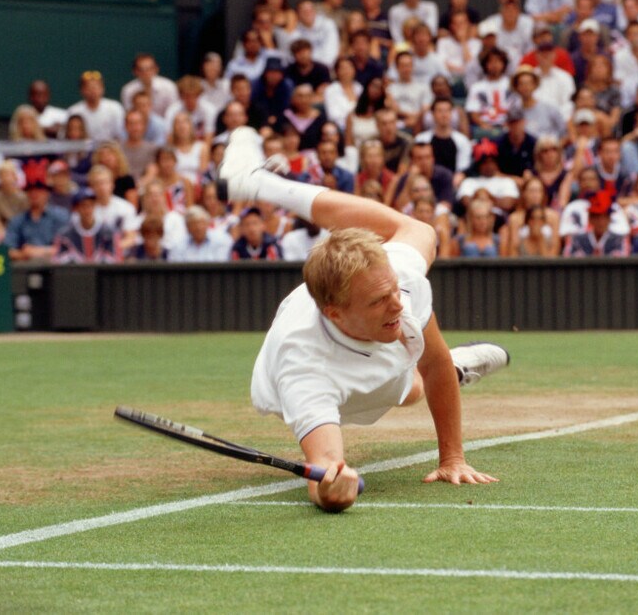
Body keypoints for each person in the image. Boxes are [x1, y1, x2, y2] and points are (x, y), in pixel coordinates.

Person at [216, 126, 506, 511]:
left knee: (418, 231)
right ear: (335, 312)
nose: (397, 305)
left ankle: (257, 183)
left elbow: (432, 361)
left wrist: (452, 458)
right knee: (412, 390)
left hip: (370, 336)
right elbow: (324, 469)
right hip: (327, 371)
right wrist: (332, 489)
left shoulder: (400, 286)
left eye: (393, 292)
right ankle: (455, 368)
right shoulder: (303, 367)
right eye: (379, 300)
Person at [4, 179, 70, 262]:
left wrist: (38, 251)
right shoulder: (17, 220)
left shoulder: (61, 215)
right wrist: (24, 254)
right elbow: (8, 250)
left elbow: (68, 247)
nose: (34, 194)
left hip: (54, 264)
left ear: (47, 193)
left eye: (39, 190)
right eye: (30, 191)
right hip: (26, 265)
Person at [53, 187, 121, 264]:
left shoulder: (109, 233)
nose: (87, 210)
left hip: (102, 271)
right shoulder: (65, 236)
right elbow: (58, 261)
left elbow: (115, 260)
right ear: (76, 208)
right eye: (83, 206)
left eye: (91, 205)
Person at [563, 190, 630, 257]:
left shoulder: (619, 240)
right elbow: (567, 259)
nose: (600, 221)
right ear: (590, 218)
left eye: (604, 217)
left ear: (609, 218)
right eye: (596, 217)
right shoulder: (576, 240)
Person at [66, 70, 125, 143]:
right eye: (89, 88)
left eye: (96, 87)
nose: (93, 91)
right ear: (82, 90)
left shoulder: (114, 107)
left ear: (102, 89)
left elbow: (121, 134)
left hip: (110, 147)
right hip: (83, 148)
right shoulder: (74, 111)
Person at [168, 205, 232, 262]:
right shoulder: (178, 244)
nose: (199, 228)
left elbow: (221, 265)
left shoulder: (222, 239)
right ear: (187, 227)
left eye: (202, 223)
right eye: (194, 224)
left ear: (208, 224)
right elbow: (175, 268)